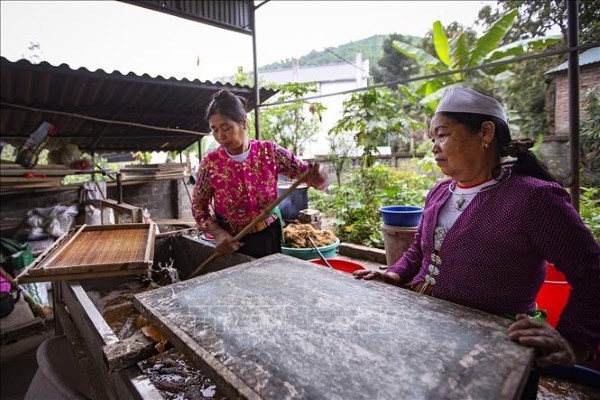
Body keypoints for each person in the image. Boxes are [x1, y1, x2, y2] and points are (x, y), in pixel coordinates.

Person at [354, 86, 600, 370]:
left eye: (442, 134)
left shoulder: (535, 199)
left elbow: (591, 270)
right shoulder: (439, 192)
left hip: (494, 346)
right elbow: (421, 250)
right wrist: (394, 275)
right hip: (426, 326)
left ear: (485, 133)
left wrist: (575, 342)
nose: (434, 146)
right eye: (433, 138)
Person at [192, 89, 327, 259]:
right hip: (231, 241)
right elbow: (199, 206)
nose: (220, 136)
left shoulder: (269, 152)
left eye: (226, 128)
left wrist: (318, 175)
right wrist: (218, 233)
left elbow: (306, 173)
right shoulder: (210, 163)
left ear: (243, 122)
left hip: (267, 236)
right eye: (214, 129)